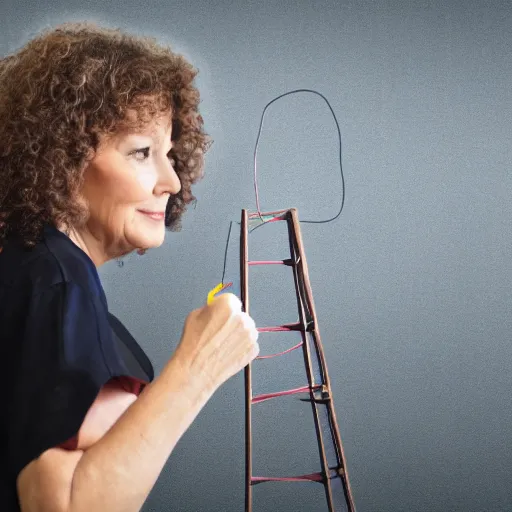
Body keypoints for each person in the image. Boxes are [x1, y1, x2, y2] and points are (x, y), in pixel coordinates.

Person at [0, 22, 259, 512]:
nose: (173, 181)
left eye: (168, 153)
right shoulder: (57, 283)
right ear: (63, 157)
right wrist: (198, 367)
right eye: (142, 152)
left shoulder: (28, 269)